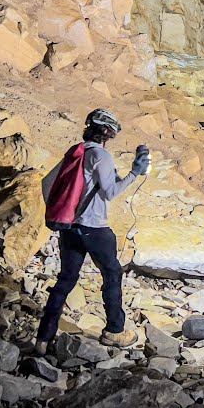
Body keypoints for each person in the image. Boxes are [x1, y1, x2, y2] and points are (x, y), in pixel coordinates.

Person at [36, 109, 150, 352]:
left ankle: (43, 339)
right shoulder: (101, 155)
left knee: (66, 280)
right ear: (108, 133)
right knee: (112, 274)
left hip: (69, 228)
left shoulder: (75, 152)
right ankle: (114, 332)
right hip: (95, 229)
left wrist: (64, 213)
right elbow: (110, 192)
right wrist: (134, 173)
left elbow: (47, 183)